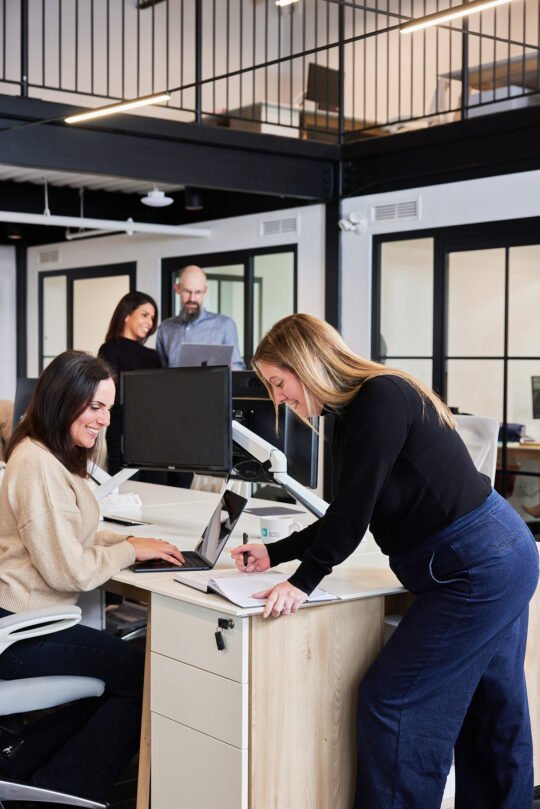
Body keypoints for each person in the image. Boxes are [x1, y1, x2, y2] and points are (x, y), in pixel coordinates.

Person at [231, 313, 539, 809]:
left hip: (480, 565)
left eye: (278, 382)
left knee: (394, 703)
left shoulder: (381, 397)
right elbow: (353, 510)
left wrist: (303, 580)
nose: (279, 399)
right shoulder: (356, 411)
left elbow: (352, 516)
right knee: (491, 706)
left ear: (305, 363)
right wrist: (276, 551)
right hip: (495, 555)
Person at [0, 350, 184, 802]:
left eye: (109, 408)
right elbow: (71, 570)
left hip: (29, 620)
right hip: (20, 631)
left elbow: (69, 532)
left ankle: (26, 767)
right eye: (95, 407)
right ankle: (62, 788)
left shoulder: (44, 453)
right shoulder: (37, 465)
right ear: (65, 400)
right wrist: (126, 550)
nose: (104, 420)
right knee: (145, 673)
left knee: (123, 670)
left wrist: (129, 547)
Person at [98, 291, 161, 475]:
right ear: (126, 315)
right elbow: (111, 395)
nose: (150, 322)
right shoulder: (110, 349)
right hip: (122, 432)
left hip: (153, 432)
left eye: (152, 318)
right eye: (144, 315)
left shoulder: (154, 356)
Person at [156, 264, 245, 369]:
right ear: (177, 288)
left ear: (205, 291)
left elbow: (238, 367)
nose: (192, 298)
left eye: (198, 292)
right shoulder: (165, 328)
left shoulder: (225, 325)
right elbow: (161, 372)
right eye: (187, 291)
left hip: (213, 385)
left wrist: (229, 368)